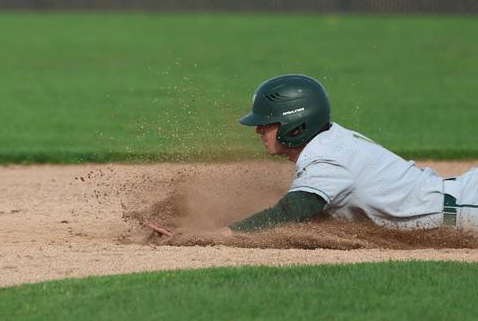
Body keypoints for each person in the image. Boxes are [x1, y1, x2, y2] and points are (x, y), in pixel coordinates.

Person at [151, 74, 478, 237]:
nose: (258, 131)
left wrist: (218, 235)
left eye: (267, 124)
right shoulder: (327, 142)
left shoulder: (326, 159)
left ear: (295, 124)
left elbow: (290, 212)